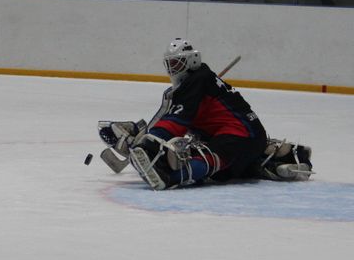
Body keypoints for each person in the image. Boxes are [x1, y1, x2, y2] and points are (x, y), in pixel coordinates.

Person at [124, 38, 313, 190]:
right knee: (221, 169)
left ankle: (173, 176)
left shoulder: (196, 80)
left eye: (178, 63)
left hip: (239, 134)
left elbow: (178, 120)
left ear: (192, 60)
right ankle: (270, 160)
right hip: (249, 136)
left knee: (208, 156)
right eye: (170, 64)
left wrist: (151, 139)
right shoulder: (200, 79)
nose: (173, 69)